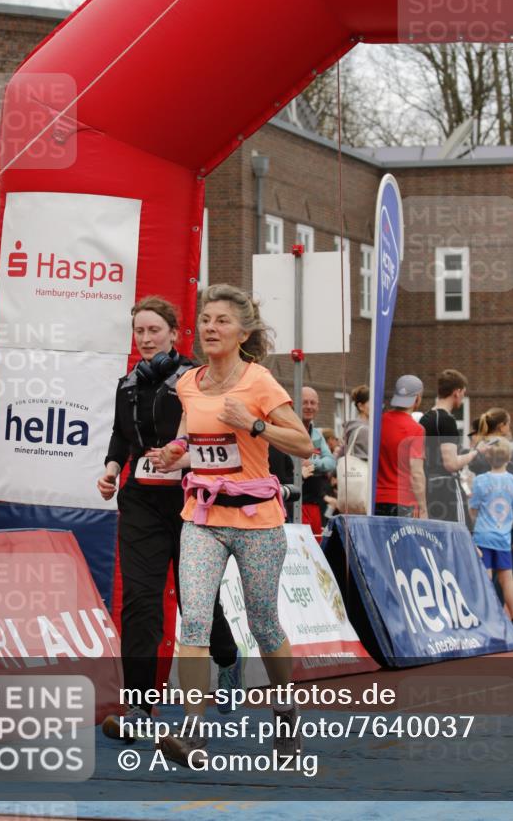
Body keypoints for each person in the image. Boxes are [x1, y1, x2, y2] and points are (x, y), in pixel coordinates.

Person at [153, 283, 312, 766]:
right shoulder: (188, 381)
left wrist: (254, 424)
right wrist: (173, 453)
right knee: (195, 619)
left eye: (222, 321)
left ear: (242, 331)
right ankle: (193, 730)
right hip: (201, 517)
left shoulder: (259, 382)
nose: (210, 328)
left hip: (256, 519)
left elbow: (303, 445)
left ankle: (286, 715)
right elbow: (190, 436)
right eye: (205, 320)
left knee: (264, 623)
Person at [96, 296, 239, 741]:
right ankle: (140, 704)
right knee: (140, 600)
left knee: (197, 600)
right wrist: (111, 468)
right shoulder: (127, 383)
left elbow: (220, 438)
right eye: (139, 331)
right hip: (141, 502)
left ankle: (228, 660)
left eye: (154, 330)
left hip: (192, 499)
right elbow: (121, 435)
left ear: (175, 333)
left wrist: (182, 459)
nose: (145, 338)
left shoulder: (198, 380)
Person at [469, 438, 513, 637]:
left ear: (488, 458)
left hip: (482, 536)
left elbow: (472, 509)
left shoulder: (480, 480)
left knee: (485, 578)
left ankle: (484, 620)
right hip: (502, 537)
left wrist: (472, 528)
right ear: (509, 458)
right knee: (507, 579)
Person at [469, 409, 513, 578]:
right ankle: (496, 603)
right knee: (506, 574)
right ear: (502, 427)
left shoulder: (479, 450)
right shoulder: (504, 449)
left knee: (485, 572)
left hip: (485, 520)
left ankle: (488, 602)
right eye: (508, 424)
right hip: (509, 517)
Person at [419, 370, 485, 524]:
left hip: (427, 486)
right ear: (457, 392)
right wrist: (475, 452)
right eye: (463, 393)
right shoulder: (446, 420)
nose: (463, 397)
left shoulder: (425, 418)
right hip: (446, 490)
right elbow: (451, 463)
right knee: (459, 538)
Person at [375, 375, 427, 518]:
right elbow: (417, 473)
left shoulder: (378, 422)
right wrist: (423, 508)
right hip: (403, 501)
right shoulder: (416, 429)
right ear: (417, 398)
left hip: (376, 498)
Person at [300, 386, 336, 540]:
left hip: (315, 504)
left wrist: (312, 463)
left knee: (315, 549)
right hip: (296, 504)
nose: (309, 406)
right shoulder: (288, 430)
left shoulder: (317, 434)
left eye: (312, 403)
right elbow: (293, 463)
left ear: (318, 406)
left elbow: (330, 463)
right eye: (305, 402)